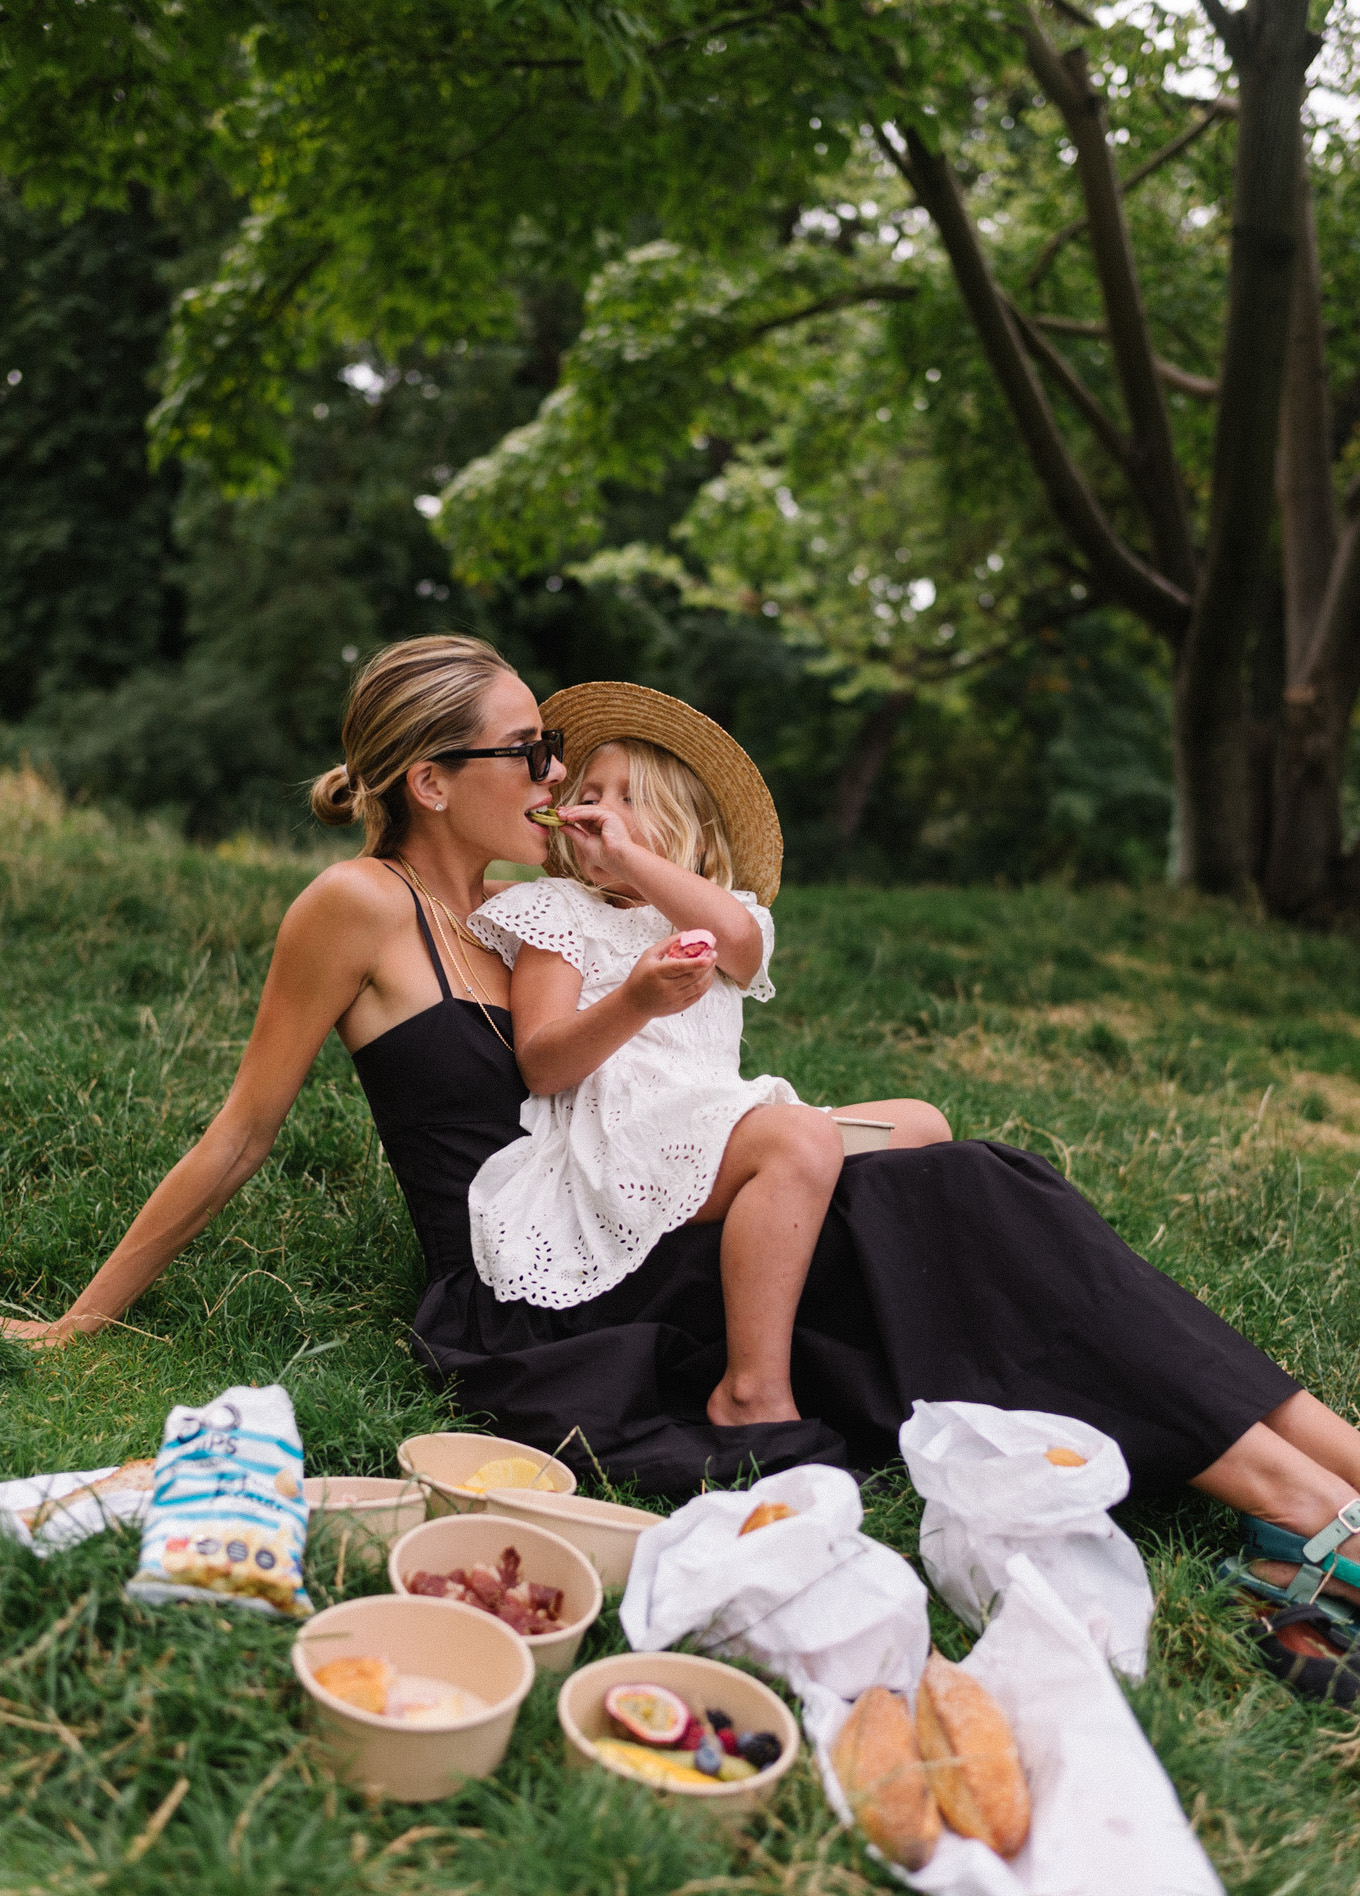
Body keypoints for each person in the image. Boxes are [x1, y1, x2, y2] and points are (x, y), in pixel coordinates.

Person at [6, 633, 1360, 1654]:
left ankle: (1325, 1465)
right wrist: (83, 1320)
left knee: (977, 1181)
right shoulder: (357, 908)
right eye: (527, 751)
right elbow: (244, 1132)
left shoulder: (534, 904)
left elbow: (669, 1050)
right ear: (429, 779)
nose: (550, 776)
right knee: (947, 1215)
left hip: (658, 1225)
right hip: (548, 1296)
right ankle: (1295, 1493)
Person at [461, 712, 842, 1429]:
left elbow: (736, 944)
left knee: (922, 1124)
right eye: (591, 791)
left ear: (688, 829)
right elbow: (542, 1065)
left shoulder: (733, 915)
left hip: (715, 1121)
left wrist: (632, 862)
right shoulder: (561, 910)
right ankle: (751, 1391)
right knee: (800, 1140)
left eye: (630, 797)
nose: (602, 808)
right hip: (620, 1140)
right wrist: (634, 1001)